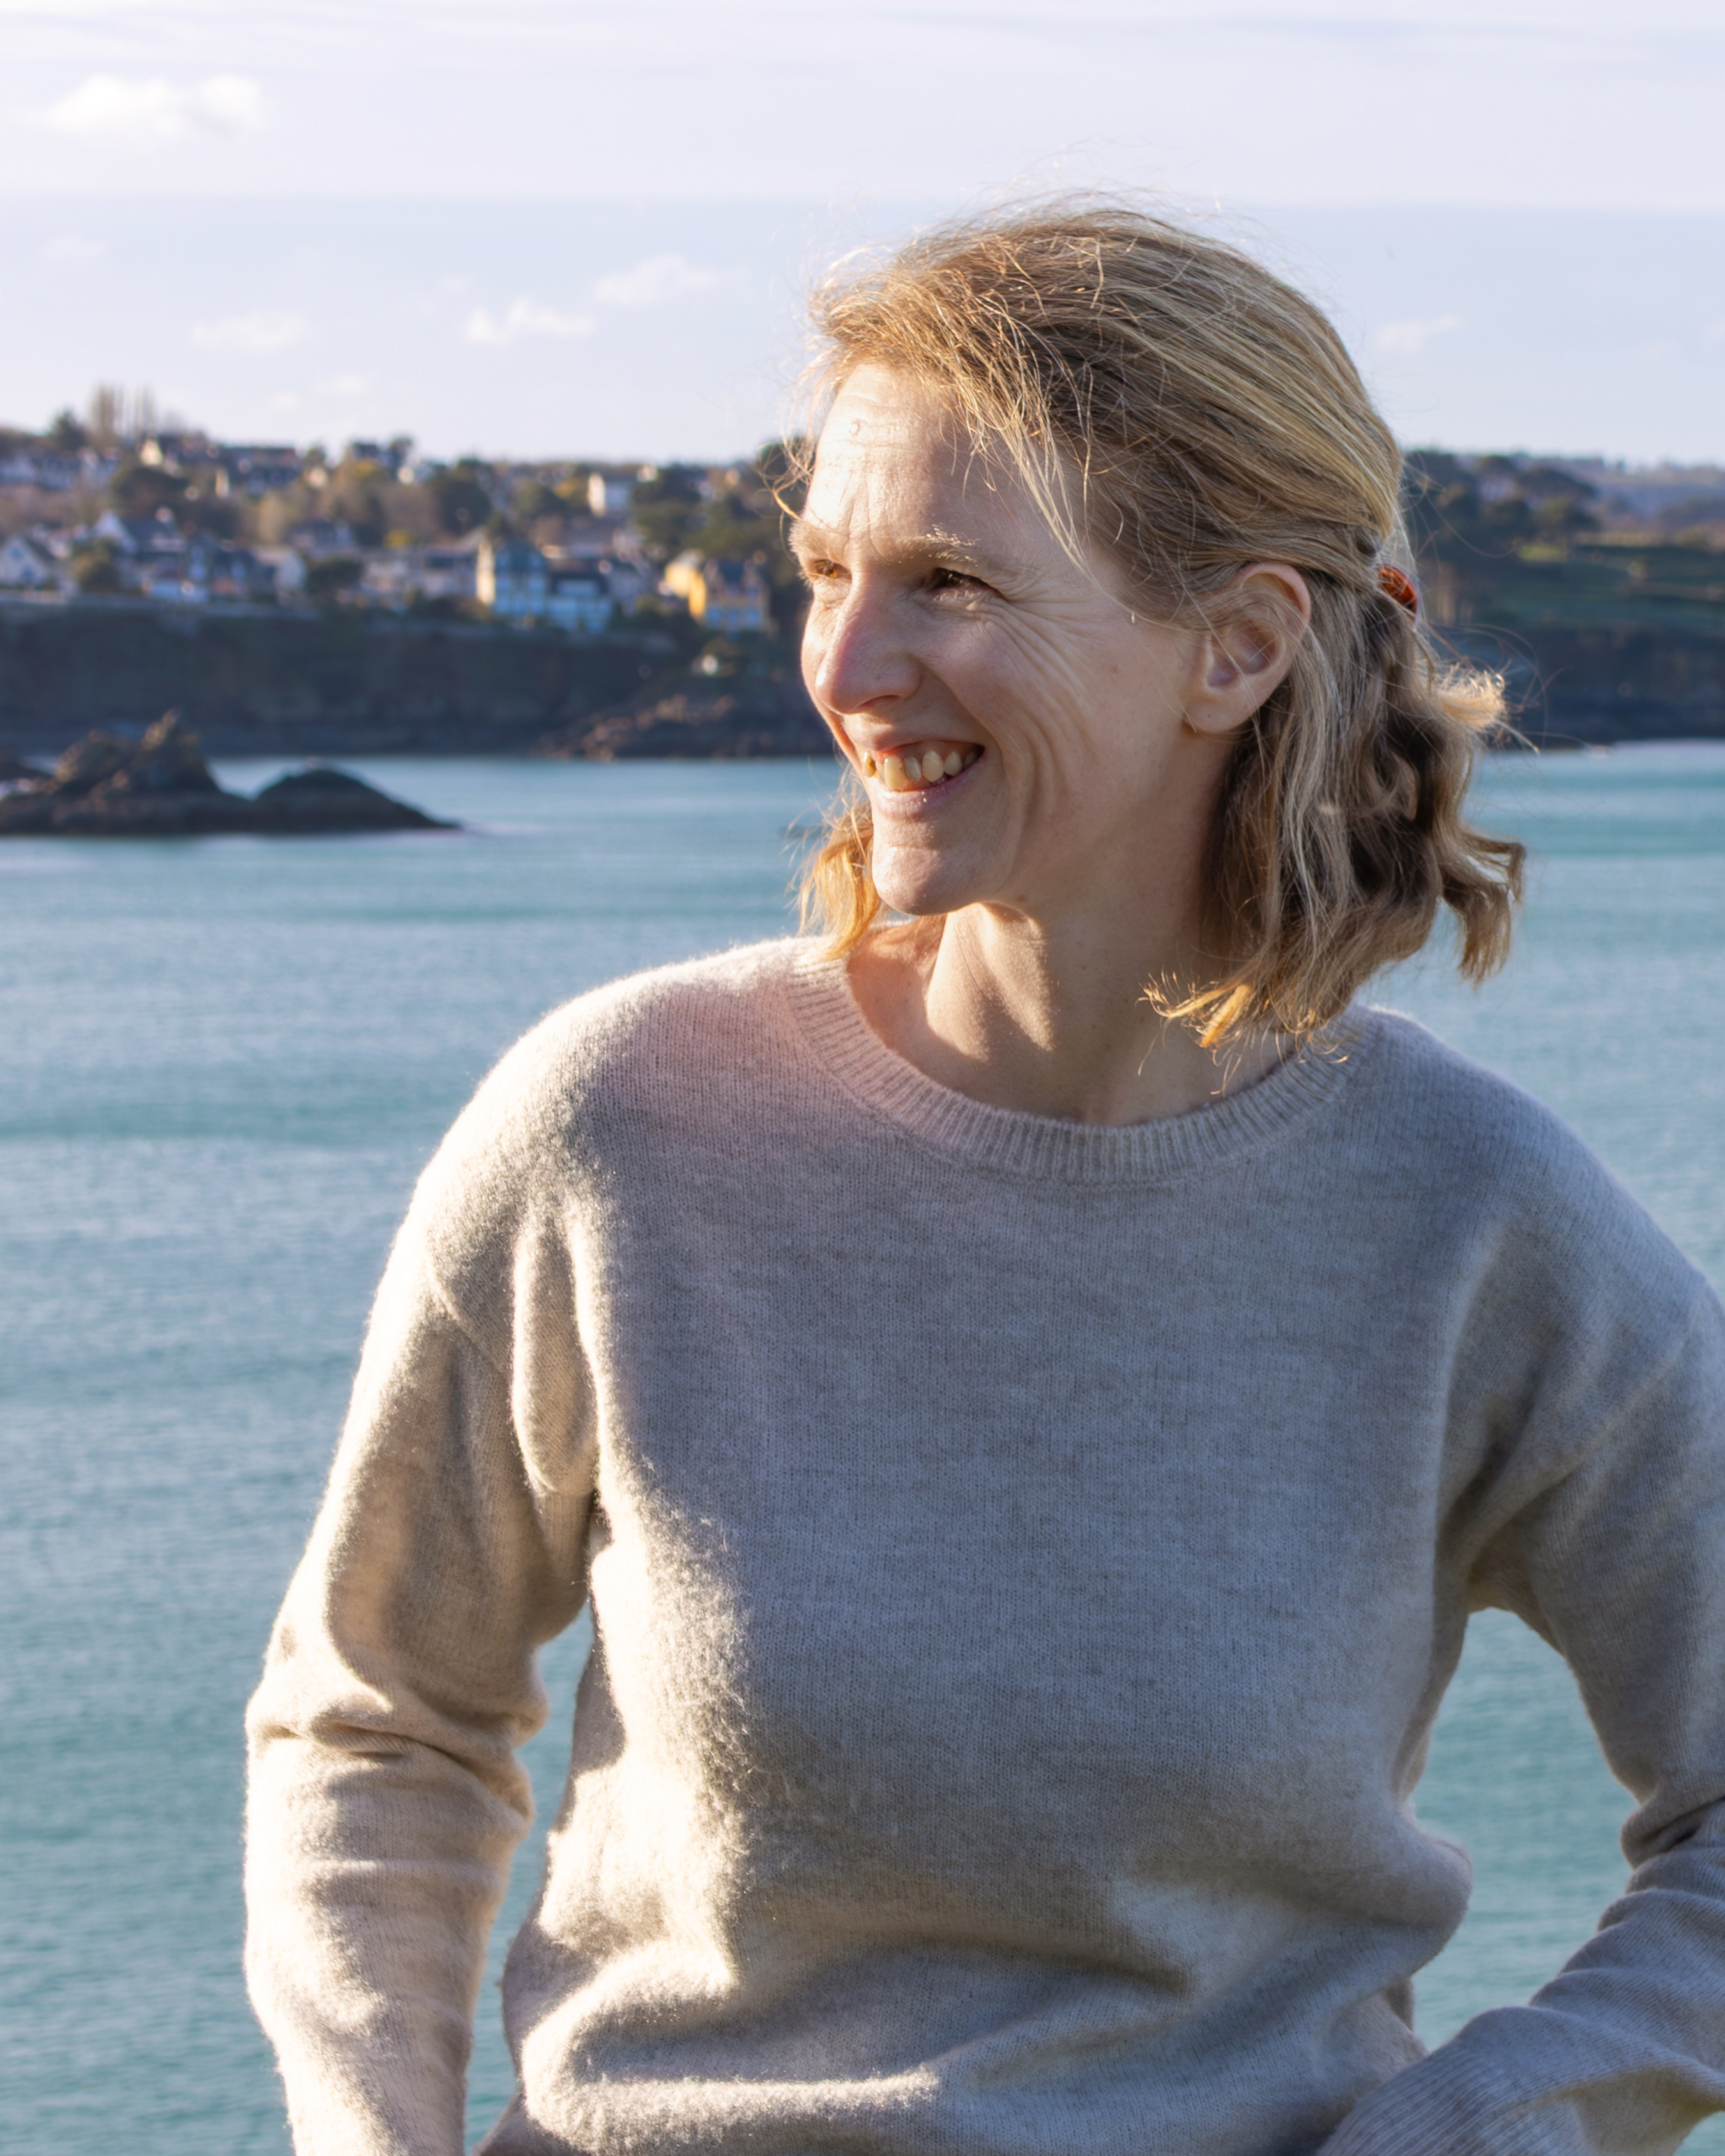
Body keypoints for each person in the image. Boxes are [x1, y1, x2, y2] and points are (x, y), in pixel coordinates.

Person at [245, 205, 1725, 2156]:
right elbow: (379, 1724)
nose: (849, 666)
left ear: (1240, 645)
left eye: (947, 581)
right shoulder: (618, 1125)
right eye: (826, 574)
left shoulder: (1474, 1222)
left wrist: (1479, 2135)